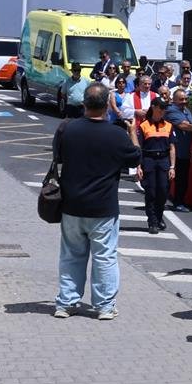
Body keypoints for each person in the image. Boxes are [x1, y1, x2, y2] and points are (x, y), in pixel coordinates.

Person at [51, 83, 142, 320]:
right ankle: (104, 306)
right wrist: (132, 132)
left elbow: (58, 157)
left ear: (84, 103)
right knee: (105, 258)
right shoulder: (116, 135)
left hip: (72, 205)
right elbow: (135, 159)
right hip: (103, 207)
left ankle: (66, 303)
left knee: (71, 256)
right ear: (106, 106)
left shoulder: (67, 129)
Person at [133, 98, 176, 234]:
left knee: (163, 191)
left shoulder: (168, 125)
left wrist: (172, 167)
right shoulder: (144, 125)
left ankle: (158, 217)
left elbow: (172, 148)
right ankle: (152, 222)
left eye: (165, 108)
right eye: (161, 107)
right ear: (154, 107)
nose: (163, 110)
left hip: (163, 161)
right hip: (149, 160)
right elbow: (139, 148)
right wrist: (138, 166)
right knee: (151, 192)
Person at [163, 88, 192, 211]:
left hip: (184, 151)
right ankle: (161, 201)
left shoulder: (187, 110)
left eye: (185, 99)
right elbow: (184, 125)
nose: (184, 101)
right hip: (172, 150)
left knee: (182, 179)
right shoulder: (171, 110)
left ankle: (179, 202)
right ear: (174, 100)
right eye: (181, 99)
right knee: (168, 178)